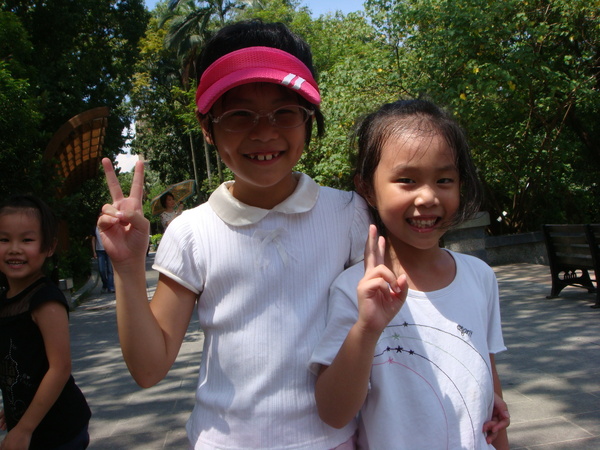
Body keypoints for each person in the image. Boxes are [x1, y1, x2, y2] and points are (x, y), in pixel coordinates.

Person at [97, 20, 369, 449]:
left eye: (285, 111)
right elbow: (149, 369)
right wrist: (129, 269)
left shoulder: (349, 214)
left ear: (308, 119)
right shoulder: (192, 232)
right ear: (208, 128)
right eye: (239, 115)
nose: (264, 132)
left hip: (331, 440)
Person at [310, 99, 510, 449]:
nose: (428, 197)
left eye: (444, 179)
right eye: (407, 180)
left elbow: (488, 387)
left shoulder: (479, 277)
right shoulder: (355, 290)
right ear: (367, 188)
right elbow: (334, 412)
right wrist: (367, 327)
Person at [0, 195, 91, 449]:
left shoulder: (45, 301)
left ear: (49, 247)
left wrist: (24, 429)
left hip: (58, 430)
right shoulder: (6, 299)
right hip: (32, 421)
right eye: (4, 239)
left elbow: (59, 368)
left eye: (27, 240)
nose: (14, 248)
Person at [91, 218, 115, 293]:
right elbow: (93, 240)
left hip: (108, 250)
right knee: (101, 270)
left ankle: (111, 287)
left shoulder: (108, 227)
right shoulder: (95, 228)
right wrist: (94, 251)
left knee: (110, 270)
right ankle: (105, 284)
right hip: (99, 251)